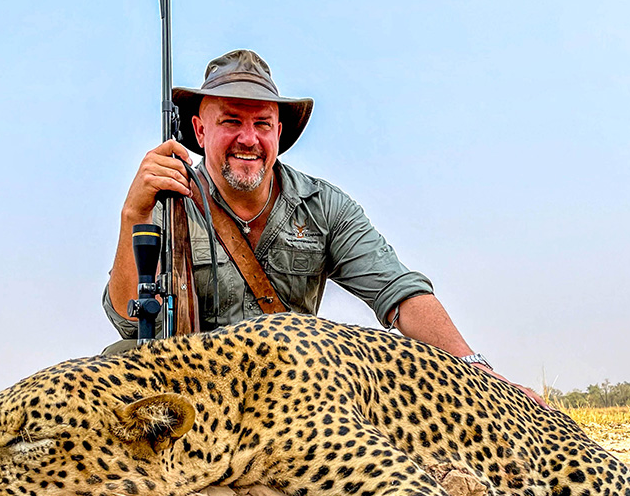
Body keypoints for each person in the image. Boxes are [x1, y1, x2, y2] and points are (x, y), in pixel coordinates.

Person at [103, 49, 546, 407]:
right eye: (231, 121)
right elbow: (129, 321)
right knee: (116, 365)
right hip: (192, 395)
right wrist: (133, 217)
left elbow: (400, 292)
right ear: (199, 130)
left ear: (278, 131)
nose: (248, 139)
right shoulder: (167, 199)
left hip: (294, 395)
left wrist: (480, 373)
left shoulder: (325, 205)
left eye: (261, 124)